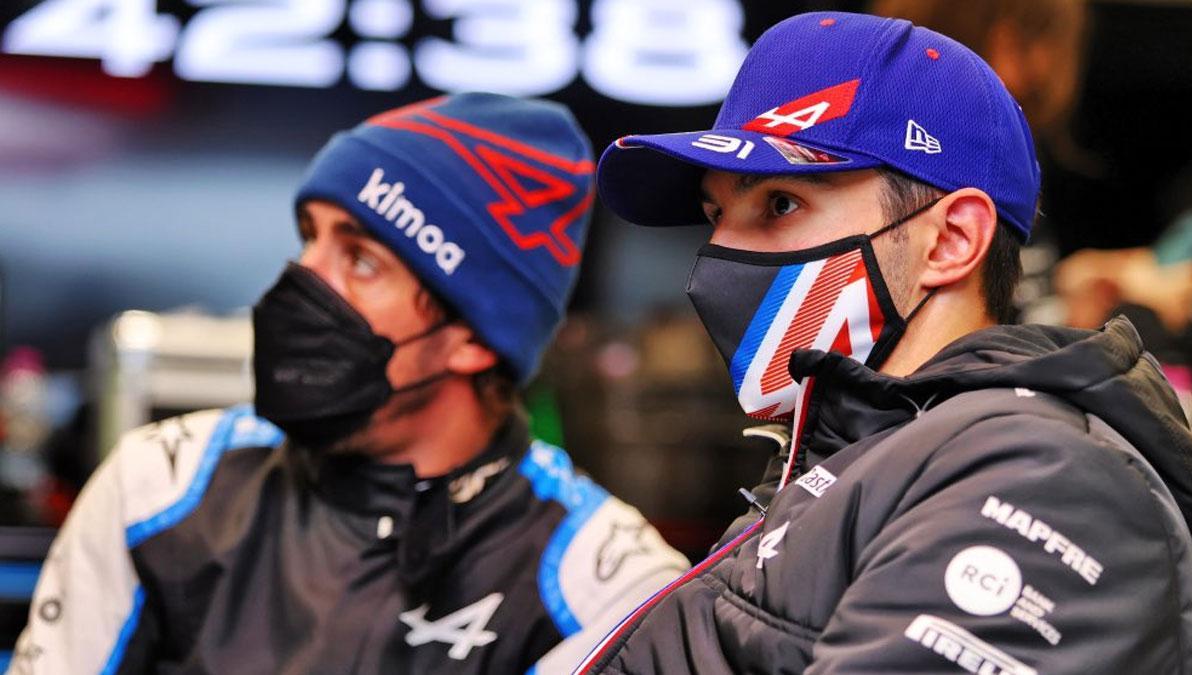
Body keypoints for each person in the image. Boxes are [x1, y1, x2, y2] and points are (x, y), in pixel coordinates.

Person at [578, 12, 1192, 674]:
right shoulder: (843, 467)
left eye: (780, 204)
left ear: (952, 239)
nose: (720, 255)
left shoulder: (1044, 475)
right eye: (716, 216)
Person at [10, 93, 688, 674]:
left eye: (361, 259)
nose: (303, 279)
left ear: (473, 337)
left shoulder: (604, 586)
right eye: (311, 237)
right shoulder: (159, 487)